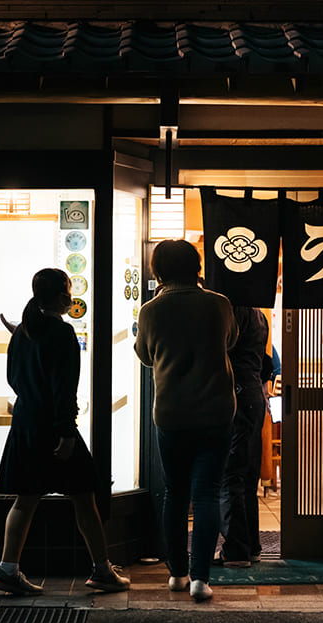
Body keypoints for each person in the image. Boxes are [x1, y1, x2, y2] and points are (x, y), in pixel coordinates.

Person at [0, 268, 129, 596]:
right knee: (84, 496)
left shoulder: (23, 331)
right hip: (54, 426)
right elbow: (64, 387)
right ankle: (102, 570)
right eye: (67, 290)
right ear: (59, 296)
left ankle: (7, 569)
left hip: (25, 421)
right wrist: (66, 431)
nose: (71, 297)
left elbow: (13, 379)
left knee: (27, 498)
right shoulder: (62, 333)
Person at [134, 239, 238, 602]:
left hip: (171, 413)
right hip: (215, 411)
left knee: (175, 493)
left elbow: (144, 355)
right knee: (206, 492)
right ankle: (201, 579)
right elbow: (231, 340)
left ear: (158, 270)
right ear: (196, 266)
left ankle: (177, 573)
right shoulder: (219, 304)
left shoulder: (150, 310)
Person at [216, 306, 271, 567]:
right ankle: (252, 546)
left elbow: (220, 351)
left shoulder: (232, 311)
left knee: (230, 473)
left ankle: (236, 549)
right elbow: (267, 363)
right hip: (253, 395)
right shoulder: (259, 314)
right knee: (248, 475)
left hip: (235, 393)